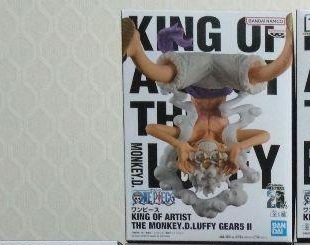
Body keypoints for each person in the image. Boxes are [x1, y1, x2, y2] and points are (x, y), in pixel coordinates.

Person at [122, 17, 293, 219]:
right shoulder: (228, 138)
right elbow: (264, 135)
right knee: (260, 75)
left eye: (202, 160)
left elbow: (151, 128)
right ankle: (291, 41)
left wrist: (179, 145)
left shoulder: (190, 135)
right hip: (225, 78)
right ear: (222, 158)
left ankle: (134, 44)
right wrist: (238, 147)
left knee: (161, 74)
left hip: (194, 78)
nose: (207, 156)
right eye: (213, 160)